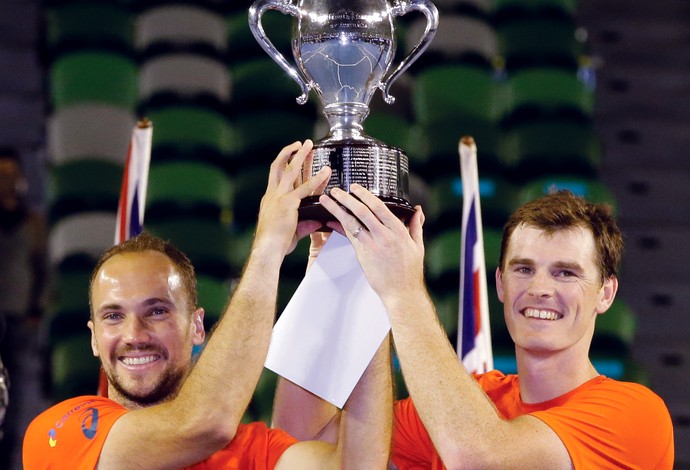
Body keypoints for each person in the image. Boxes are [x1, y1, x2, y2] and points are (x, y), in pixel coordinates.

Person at [23, 141, 393, 469]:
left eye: (156, 311)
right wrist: (268, 247)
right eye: (114, 316)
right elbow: (204, 424)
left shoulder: (247, 449)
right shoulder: (64, 431)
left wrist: (360, 278)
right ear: (93, 338)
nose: (134, 335)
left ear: (197, 326)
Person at [273, 185, 674, 469]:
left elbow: (479, 459)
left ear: (606, 294)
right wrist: (329, 284)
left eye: (566, 273)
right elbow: (301, 446)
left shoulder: (635, 415)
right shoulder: (470, 400)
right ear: (500, 283)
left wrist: (402, 291)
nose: (540, 289)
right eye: (524, 269)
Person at [0, 147, 48, 469]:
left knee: (16, 396)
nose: (7, 181)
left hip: (18, 318)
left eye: (11, 175)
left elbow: (43, 269)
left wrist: (36, 309)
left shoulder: (33, 223)